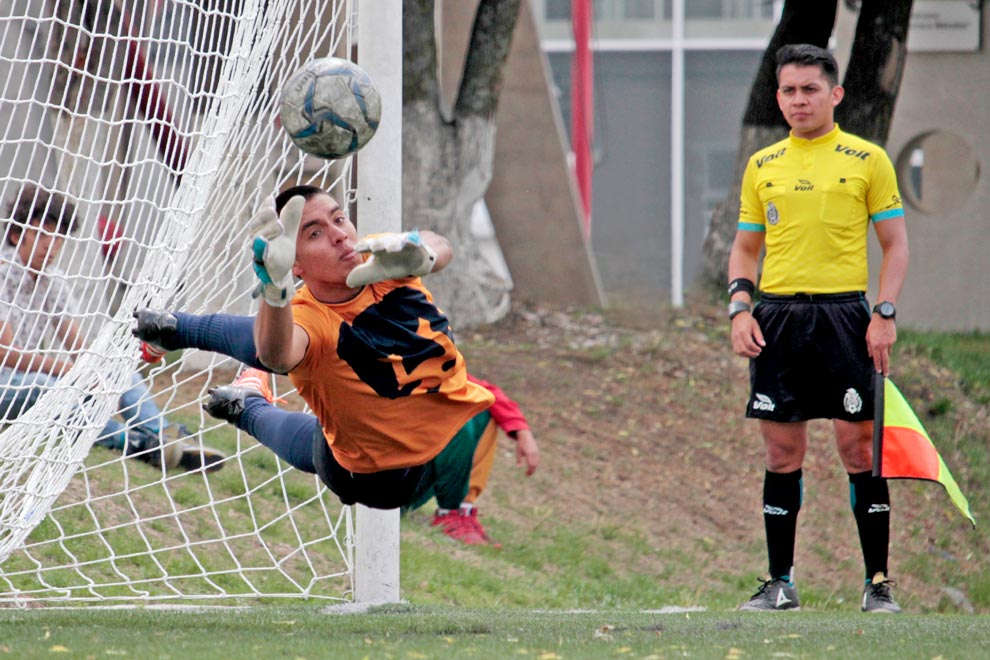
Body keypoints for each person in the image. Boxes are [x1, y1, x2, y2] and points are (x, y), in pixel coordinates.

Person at [133, 184, 496, 511]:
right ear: (294, 263)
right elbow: (276, 354)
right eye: (315, 233)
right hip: (387, 476)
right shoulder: (310, 321)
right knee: (319, 445)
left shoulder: (384, 261)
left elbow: (441, 244)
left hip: (449, 432)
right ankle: (244, 406)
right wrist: (275, 292)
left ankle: (181, 336)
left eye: (339, 218)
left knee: (325, 432)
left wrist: (424, 252)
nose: (339, 235)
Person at [726, 44, 909, 613]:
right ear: (778, 96)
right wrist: (739, 308)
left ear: (835, 94)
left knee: (858, 448)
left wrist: (883, 313)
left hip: (846, 318)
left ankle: (877, 584)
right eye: (788, 90)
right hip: (778, 318)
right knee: (782, 453)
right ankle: (779, 583)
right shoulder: (764, 164)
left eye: (810, 89)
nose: (799, 100)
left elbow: (895, 245)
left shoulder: (866, 158)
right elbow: (746, 248)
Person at [0, 183, 226, 472]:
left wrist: (95, 370)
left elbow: (77, 346)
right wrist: (68, 371)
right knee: (47, 387)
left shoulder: (51, 280)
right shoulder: (3, 272)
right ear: (17, 235)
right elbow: (7, 357)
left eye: (58, 237)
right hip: (6, 384)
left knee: (115, 368)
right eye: (41, 234)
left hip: (30, 378)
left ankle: (165, 436)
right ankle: (134, 444)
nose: (51, 245)